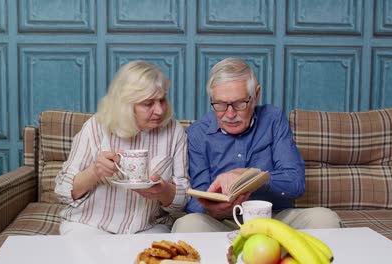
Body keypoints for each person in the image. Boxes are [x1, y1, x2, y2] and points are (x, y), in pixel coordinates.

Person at [172, 58, 340, 232]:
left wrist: (251, 178)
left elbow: (295, 183)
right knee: (188, 225)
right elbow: (195, 199)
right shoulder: (197, 133)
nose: (229, 114)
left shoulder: (273, 119)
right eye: (220, 104)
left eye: (239, 104)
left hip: (274, 218)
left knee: (325, 219)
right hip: (222, 223)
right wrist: (211, 209)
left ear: (256, 95)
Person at [55, 60, 189, 235]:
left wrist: (163, 191)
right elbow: (63, 191)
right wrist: (95, 171)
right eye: (148, 103)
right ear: (126, 104)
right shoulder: (95, 127)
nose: (159, 110)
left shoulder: (174, 131)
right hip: (89, 224)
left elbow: (184, 198)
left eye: (162, 100)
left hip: (147, 228)